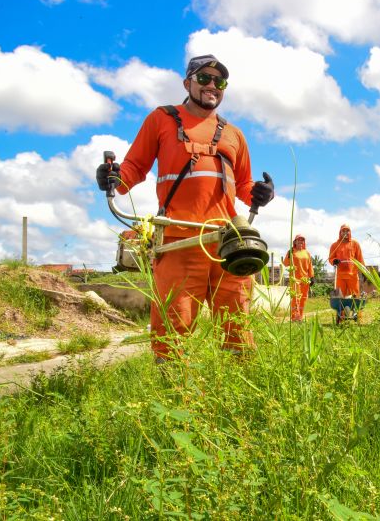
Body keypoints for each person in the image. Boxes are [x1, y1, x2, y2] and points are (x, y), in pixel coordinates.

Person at [96, 54, 275, 362]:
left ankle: (240, 395)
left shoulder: (234, 134)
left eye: (219, 82)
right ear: (187, 83)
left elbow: (244, 186)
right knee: (171, 327)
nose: (212, 86)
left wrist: (260, 193)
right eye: (204, 78)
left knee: (238, 327)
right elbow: (135, 167)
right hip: (179, 240)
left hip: (228, 243)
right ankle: (173, 396)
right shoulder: (162, 119)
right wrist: (114, 178)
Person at [283, 234, 314, 322]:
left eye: (302, 240)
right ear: (295, 242)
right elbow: (286, 264)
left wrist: (312, 277)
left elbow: (310, 265)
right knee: (295, 298)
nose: (300, 241)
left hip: (305, 279)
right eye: (298, 240)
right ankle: (294, 318)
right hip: (295, 279)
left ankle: (300, 317)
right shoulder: (292, 251)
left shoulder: (307, 253)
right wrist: (289, 256)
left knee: (303, 299)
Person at [328, 224, 365, 297]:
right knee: (340, 297)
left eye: (347, 231)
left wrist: (364, 272)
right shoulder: (335, 245)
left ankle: (355, 308)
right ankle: (341, 309)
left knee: (355, 296)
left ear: (350, 232)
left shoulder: (355, 244)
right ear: (340, 233)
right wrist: (334, 261)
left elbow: (360, 259)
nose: (345, 233)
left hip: (353, 276)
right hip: (340, 276)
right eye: (343, 231)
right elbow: (331, 258)